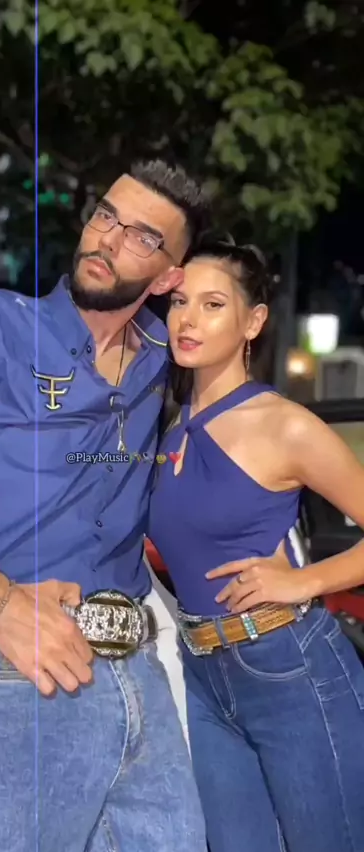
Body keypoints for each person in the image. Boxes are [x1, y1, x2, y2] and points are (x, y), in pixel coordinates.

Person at [0, 160, 209, 852]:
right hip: (10, 667)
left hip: (142, 679)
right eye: (105, 215)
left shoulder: (167, 357)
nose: (107, 239)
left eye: (142, 237)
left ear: (167, 279)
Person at [148, 240, 364, 852]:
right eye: (180, 302)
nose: (189, 320)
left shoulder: (284, 425)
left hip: (290, 666)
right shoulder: (169, 430)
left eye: (213, 304)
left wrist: (304, 579)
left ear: (254, 321)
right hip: (203, 676)